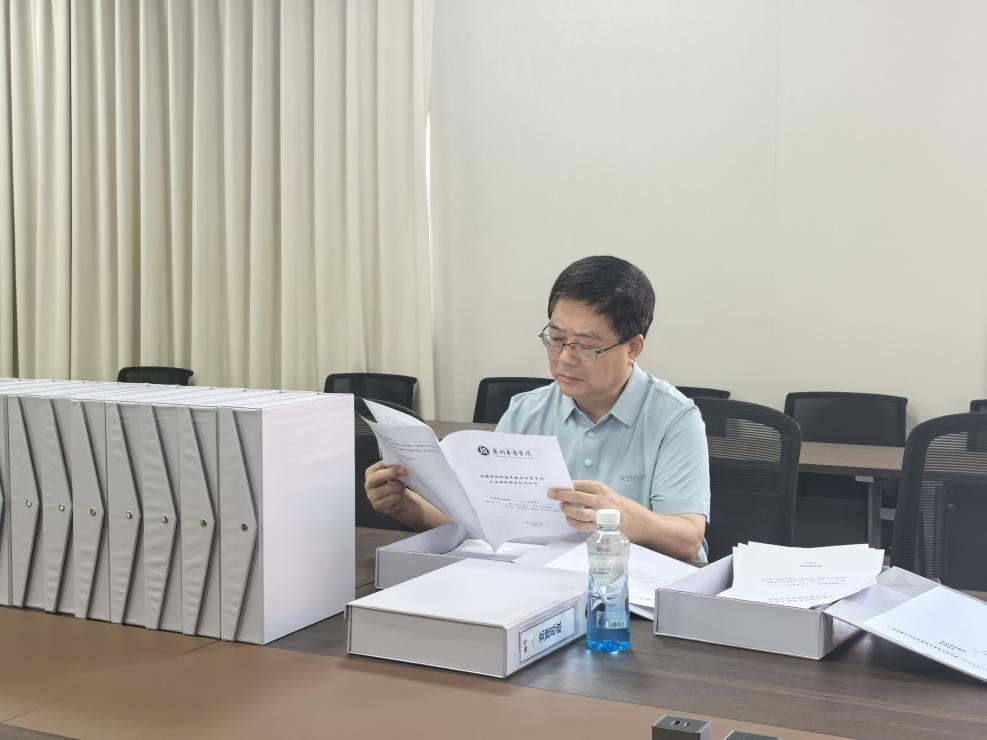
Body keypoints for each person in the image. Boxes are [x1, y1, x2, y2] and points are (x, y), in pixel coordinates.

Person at [364, 256, 710, 562]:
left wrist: (620, 514)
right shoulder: (525, 411)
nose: (565, 358)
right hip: (540, 585)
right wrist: (406, 507)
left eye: (586, 346)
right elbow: (484, 529)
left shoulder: (674, 418)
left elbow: (688, 540)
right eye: (556, 339)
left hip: (632, 593)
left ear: (633, 348)